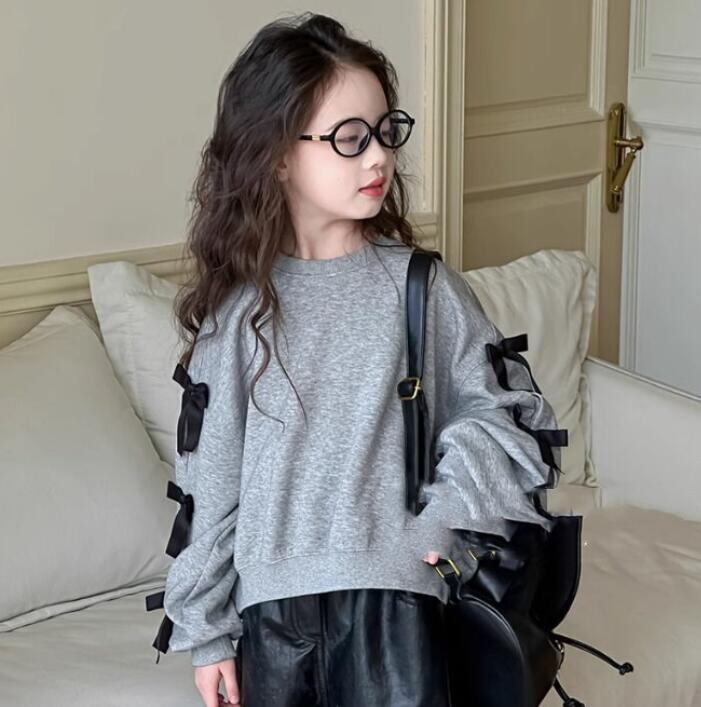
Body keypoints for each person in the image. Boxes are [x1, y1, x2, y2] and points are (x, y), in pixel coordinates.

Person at [155, 12, 564, 707]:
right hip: (271, 620)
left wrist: (443, 522)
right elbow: (211, 482)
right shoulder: (238, 313)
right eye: (350, 138)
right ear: (277, 154)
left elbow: (505, 415)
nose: (378, 158)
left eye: (385, 131)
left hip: (397, 606)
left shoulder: (421, 289)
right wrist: (208, 633)